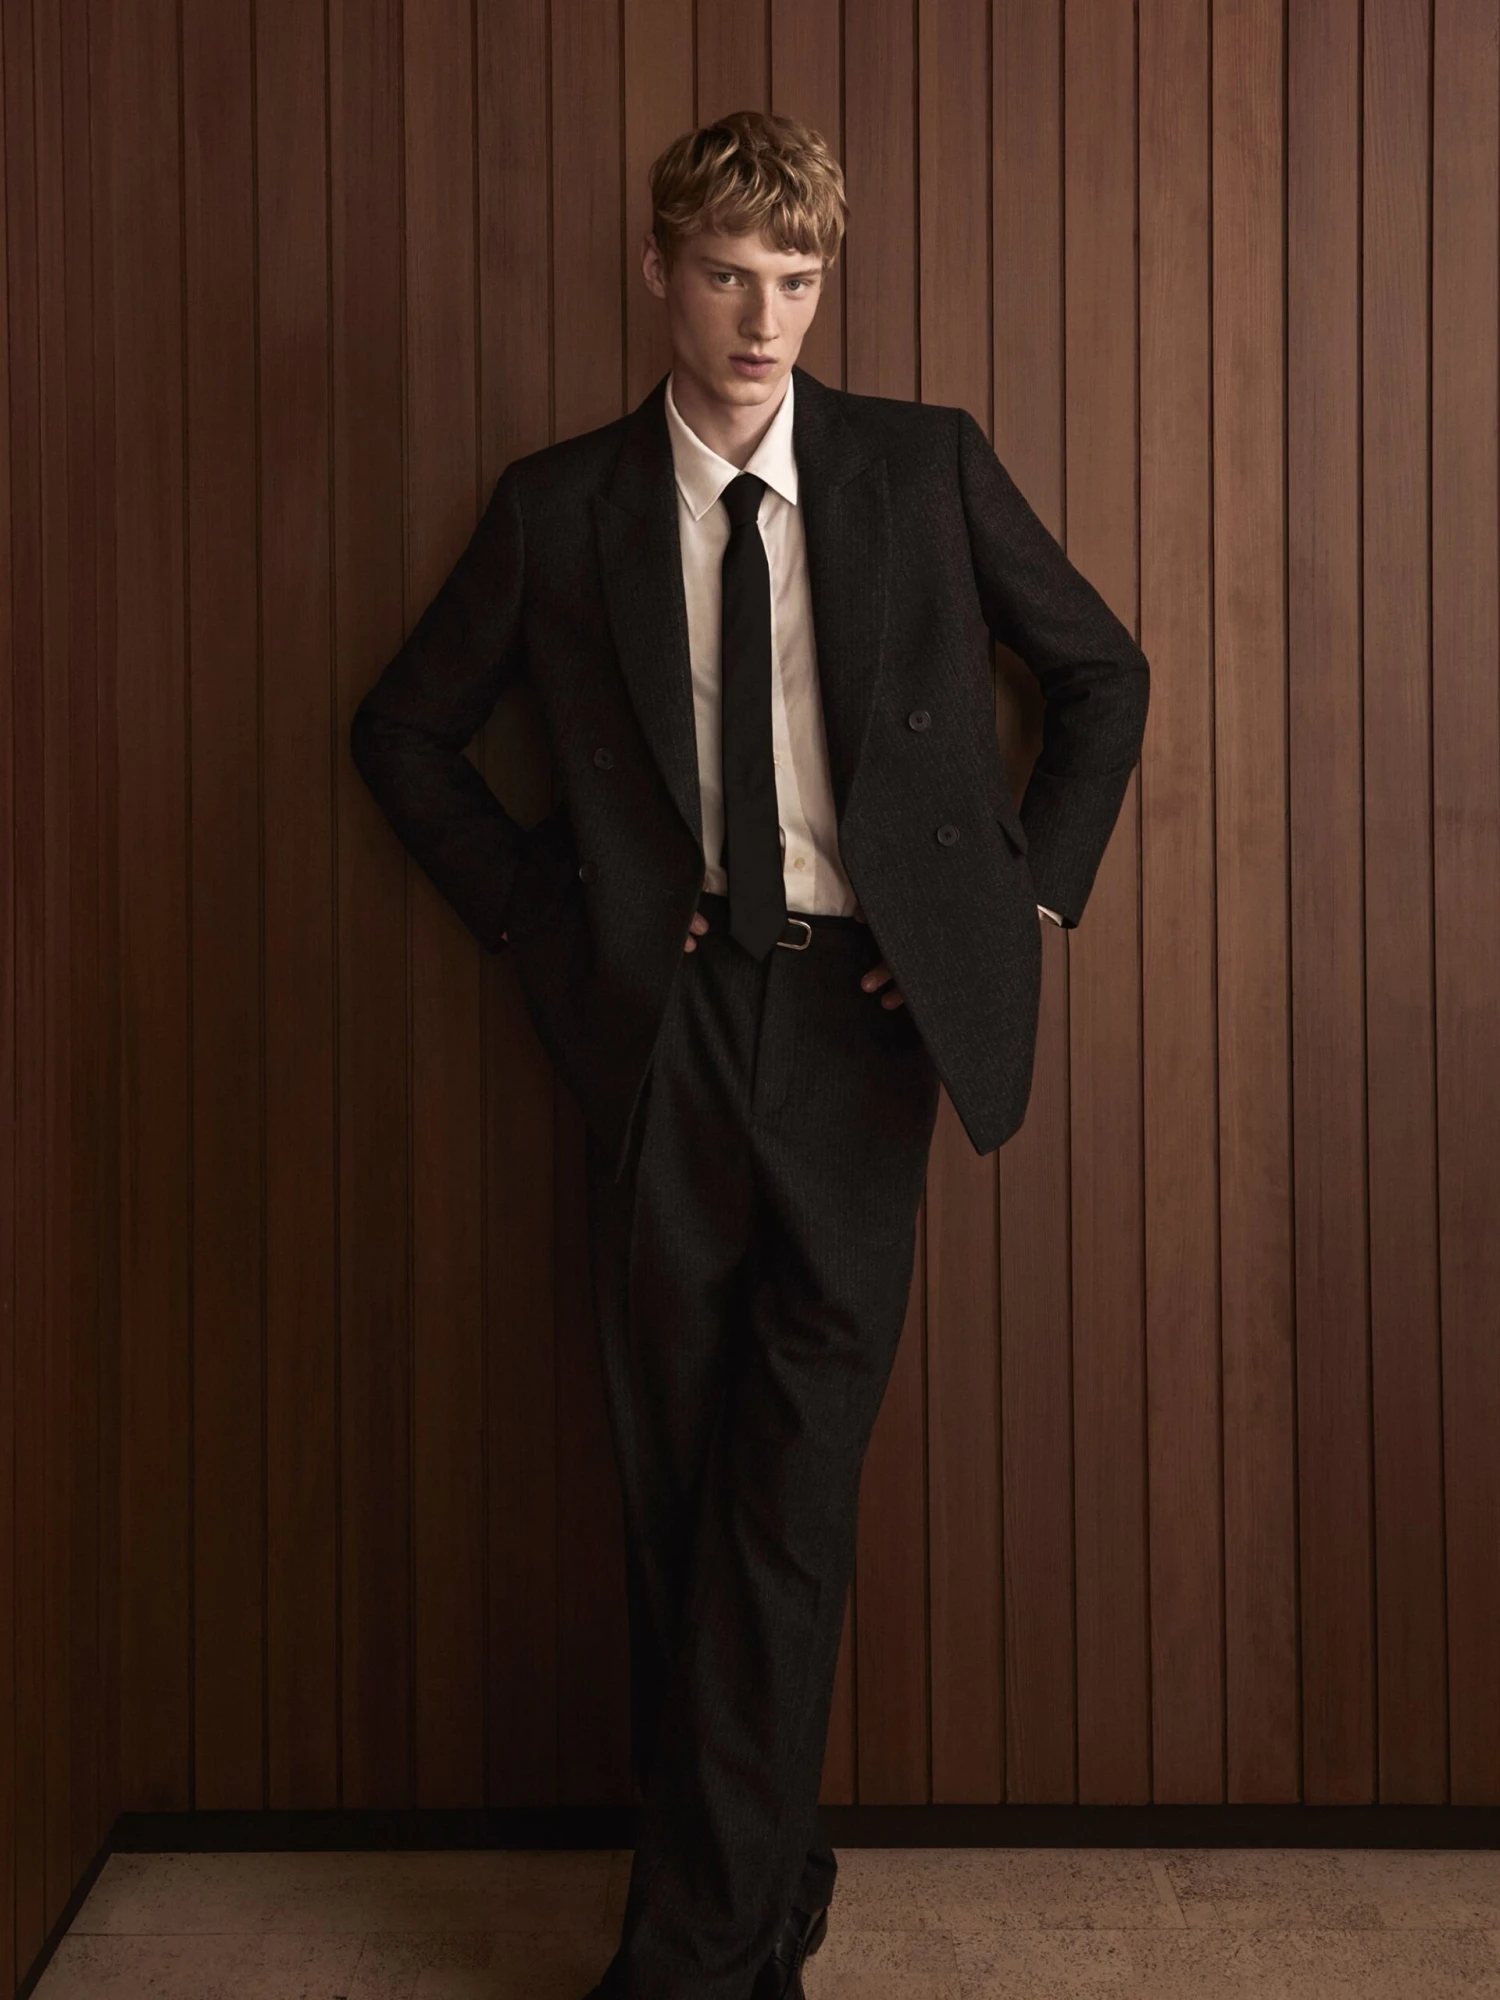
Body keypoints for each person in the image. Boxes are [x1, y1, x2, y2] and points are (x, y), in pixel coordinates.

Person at [349, 109, 1149, 2000]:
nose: (765, 318)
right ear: (660, 274)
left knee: (789, 1483)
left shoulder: (921, 468)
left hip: (866, 1030)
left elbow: (1102, 673)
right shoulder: (560, 508)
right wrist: (548, 910)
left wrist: (1011, 905)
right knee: (678, 1491)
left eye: (797, 279)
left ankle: (692, 1962)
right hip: (668, 1027)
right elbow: (403, 733)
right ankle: (763, 1893)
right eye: (728, 275)